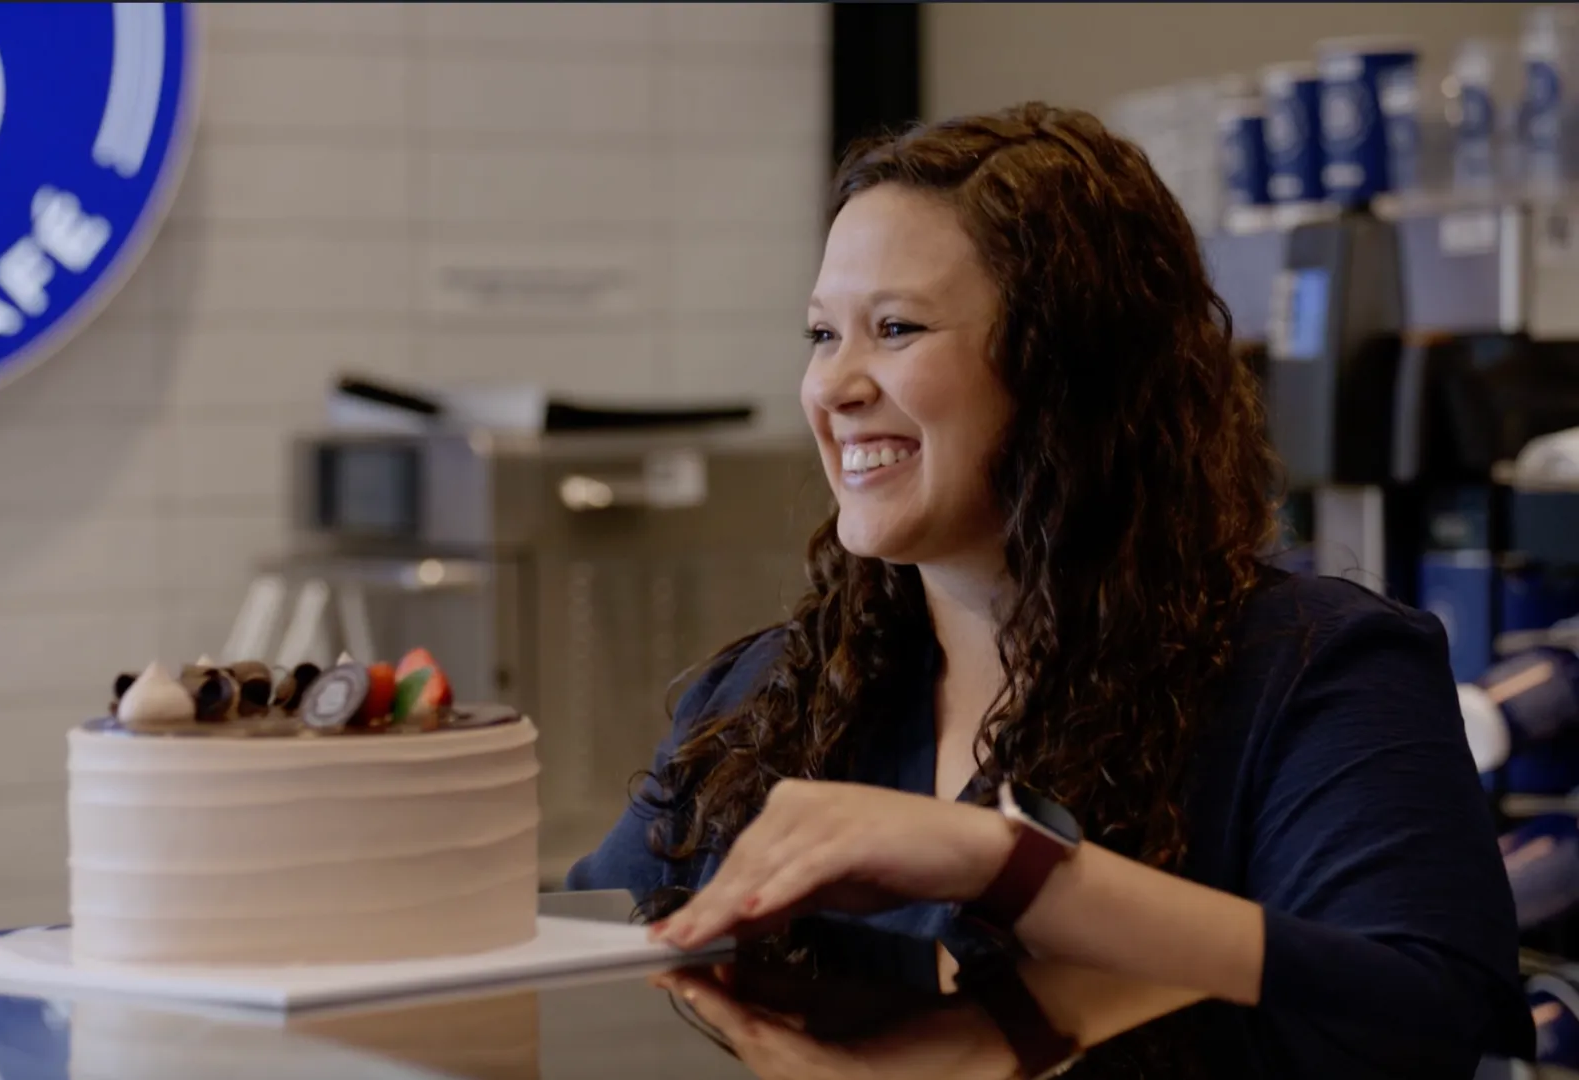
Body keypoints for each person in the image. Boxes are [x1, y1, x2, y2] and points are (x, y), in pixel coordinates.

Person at [566, 104, 1533, 1078]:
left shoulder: (1315, 672)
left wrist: (1012, 871)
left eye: (895, 328)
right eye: (823, 334)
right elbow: (571, 967)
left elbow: (1439, 1017)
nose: (834, 386)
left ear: (1072, 371)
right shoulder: (765, 700)